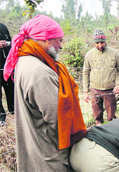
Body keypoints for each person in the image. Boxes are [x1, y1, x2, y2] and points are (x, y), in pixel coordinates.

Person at [3, 15, 87, 171]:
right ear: (45, 39)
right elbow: (58, 119)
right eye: (59, 40)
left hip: (36, 149)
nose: (61, 46)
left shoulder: (25, 60)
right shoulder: (39, 72)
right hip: (48, 158)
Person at [83, 28, 119, 125]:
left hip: (109, 90)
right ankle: (99, 131)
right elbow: (85, 73)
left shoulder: (114, 53)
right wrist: (85, 92)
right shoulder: (89, 54)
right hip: (94, 90)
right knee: (97, 116)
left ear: (105, 41)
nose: (100, 45)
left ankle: (112, 133)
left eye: (102, 43)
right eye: (97, 43)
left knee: (111, 117)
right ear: (94, 43)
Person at [0, 23, 14, 126]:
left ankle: (14, 112)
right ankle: (1, 118)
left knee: (11, 90)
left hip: (7, 66)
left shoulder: (3, 27)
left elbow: (11, 42)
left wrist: (8, 44)